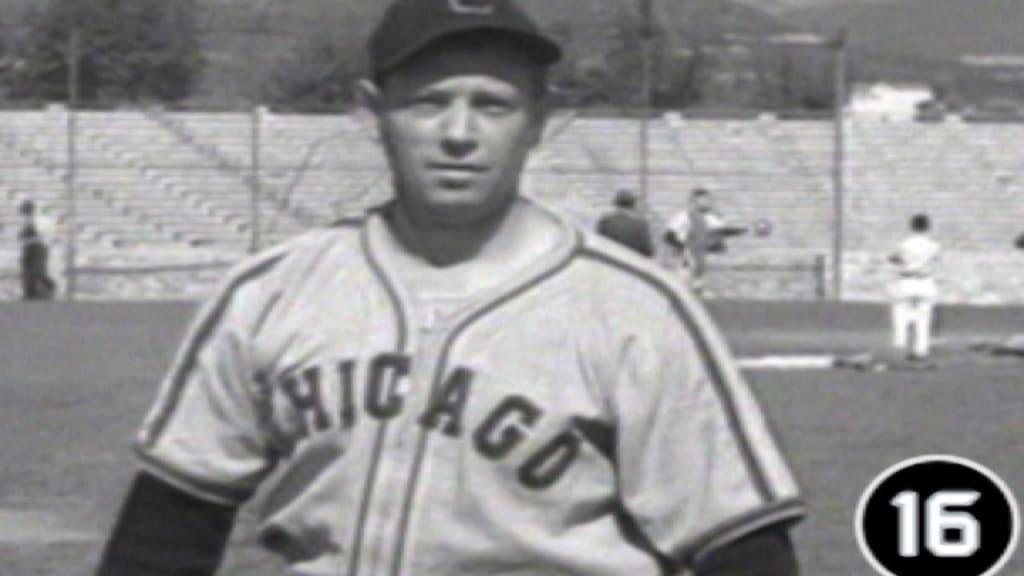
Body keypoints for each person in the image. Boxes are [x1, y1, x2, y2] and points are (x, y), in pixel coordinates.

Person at [96, 1, 805, 575]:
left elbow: (741, 545)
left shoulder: (635, 310)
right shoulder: (272, 292)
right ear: (372, 114)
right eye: (429, 103)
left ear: (538, 124)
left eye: (492, 106)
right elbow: (171, 522)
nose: (458, 134)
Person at [664, 188, 746, 289]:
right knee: (682, 287)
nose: (707, 203)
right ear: (693, 201)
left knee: (698, 289)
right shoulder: (683, 217)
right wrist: (683, 248)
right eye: (703, 200)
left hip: (701, 259)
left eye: (708, 200)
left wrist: (739, 231)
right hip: (685, 260)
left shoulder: (711, 218)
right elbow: (668, 236)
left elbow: (720, 232)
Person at [888, 214, 941, 361]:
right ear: (927, 227)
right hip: (925, 282)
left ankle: (900, 345)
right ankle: (921, 349)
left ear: (911, 226)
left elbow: (895, 258)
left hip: (907, 281)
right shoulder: (934, 245)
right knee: (923, 317)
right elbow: (936, 259)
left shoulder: (904, 244)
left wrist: (897, 259)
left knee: (900, 313)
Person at [595, 188, 655, 257]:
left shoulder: (605, 221)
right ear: (633, 205)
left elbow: (598, 246)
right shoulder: (641, 224)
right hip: (631, 265)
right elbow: (649, 251)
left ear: (616, 204)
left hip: (610, 263)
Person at [17, 200, 55, 300]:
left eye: (27, 211)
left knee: (37, 271)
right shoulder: (26, 222)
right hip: (28, 248)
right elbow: (22, 236)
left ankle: (46, 290)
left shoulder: (39, 220)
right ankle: (29, 293)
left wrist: (28, 237)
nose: (25, 214)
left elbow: (42, 235)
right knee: (27, 271)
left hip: (38, 248)